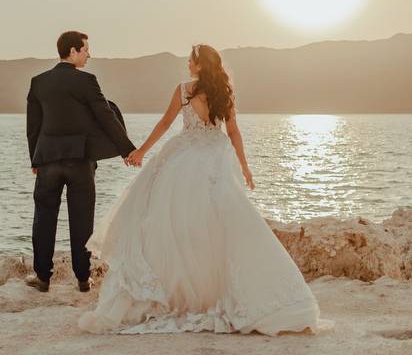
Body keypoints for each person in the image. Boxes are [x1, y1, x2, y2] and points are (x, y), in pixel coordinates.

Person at [78, 43, 330, 335]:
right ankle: (213, 291)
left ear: (199, 65)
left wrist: (142, 151)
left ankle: (178, 293)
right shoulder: (225, 91)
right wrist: (245, 167)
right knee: (220, 222)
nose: (187, 64)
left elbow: (165, 123)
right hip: (215, 156)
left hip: (184, 156)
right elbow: (233, 132)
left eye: (190, 60)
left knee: (171, 221)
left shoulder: (184, 89)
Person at [24, 30, 138, 293]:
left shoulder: (38, 82)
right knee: (81, 219)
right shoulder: (86, 81)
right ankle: (83, 279)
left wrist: (35, 158)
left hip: (48, 161)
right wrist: (127, 150)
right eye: (86, 49)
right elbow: (105, 115)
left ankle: (42, 278)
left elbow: (33, 126)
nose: (89, 54)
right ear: (72, 51)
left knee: (43, 218)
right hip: (80, 161)